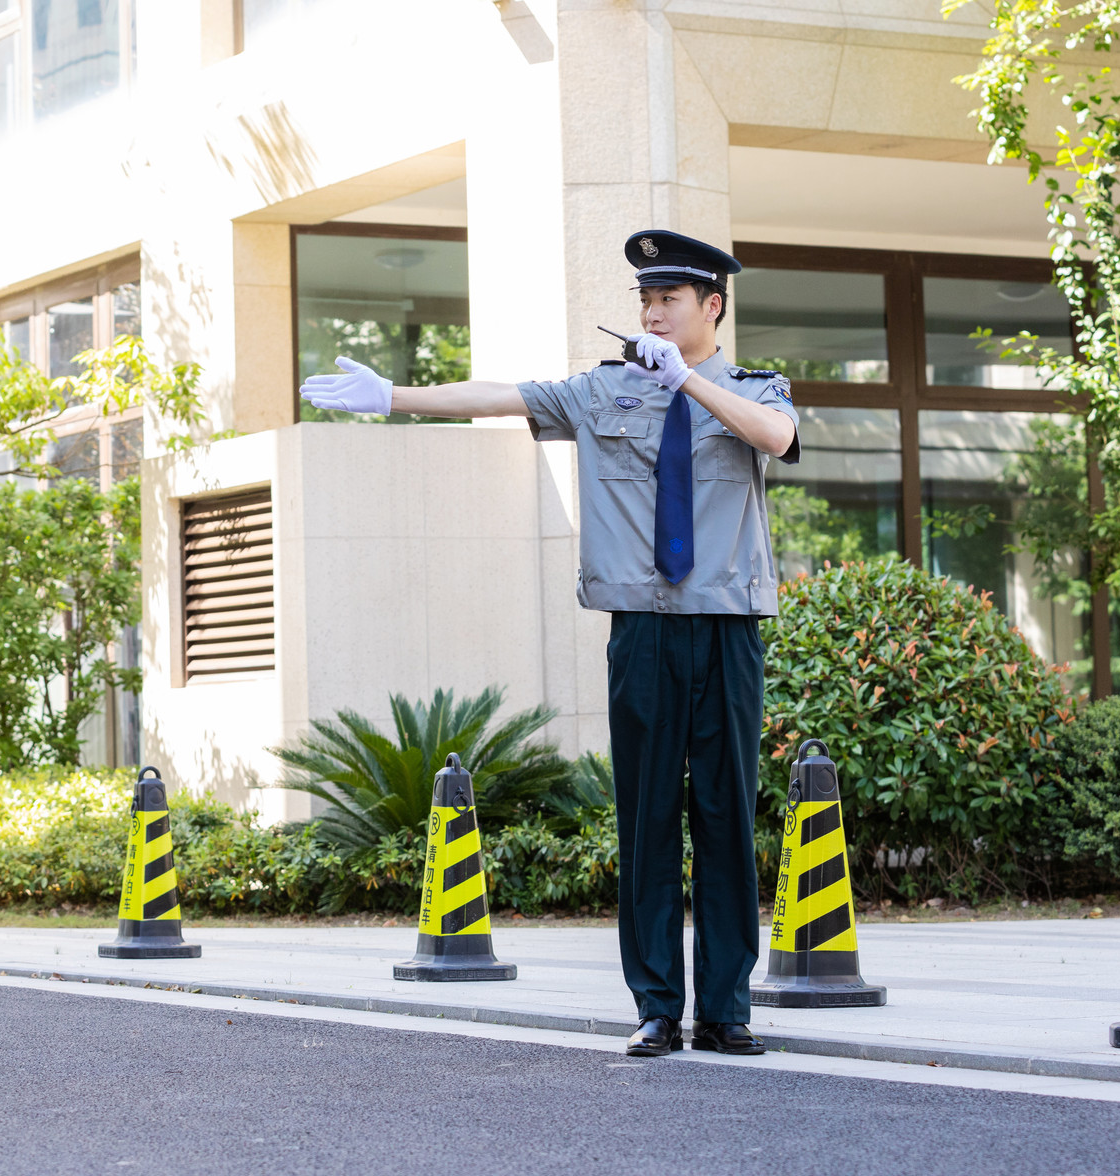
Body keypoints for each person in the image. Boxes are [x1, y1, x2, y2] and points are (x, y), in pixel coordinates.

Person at [300, 230, 799, 1058]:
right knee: (646, 818)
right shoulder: (602, 393)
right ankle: (655, 1006)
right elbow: (497, 395)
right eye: (646, 300)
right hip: (640, 626)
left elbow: (775, 439)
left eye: (669, 299)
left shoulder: (755, 388)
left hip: (728, 627)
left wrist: (691, 387)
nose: (653, 312)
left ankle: (727, 1008)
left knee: (724, 814)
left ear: (712, 306)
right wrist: (395, 395)